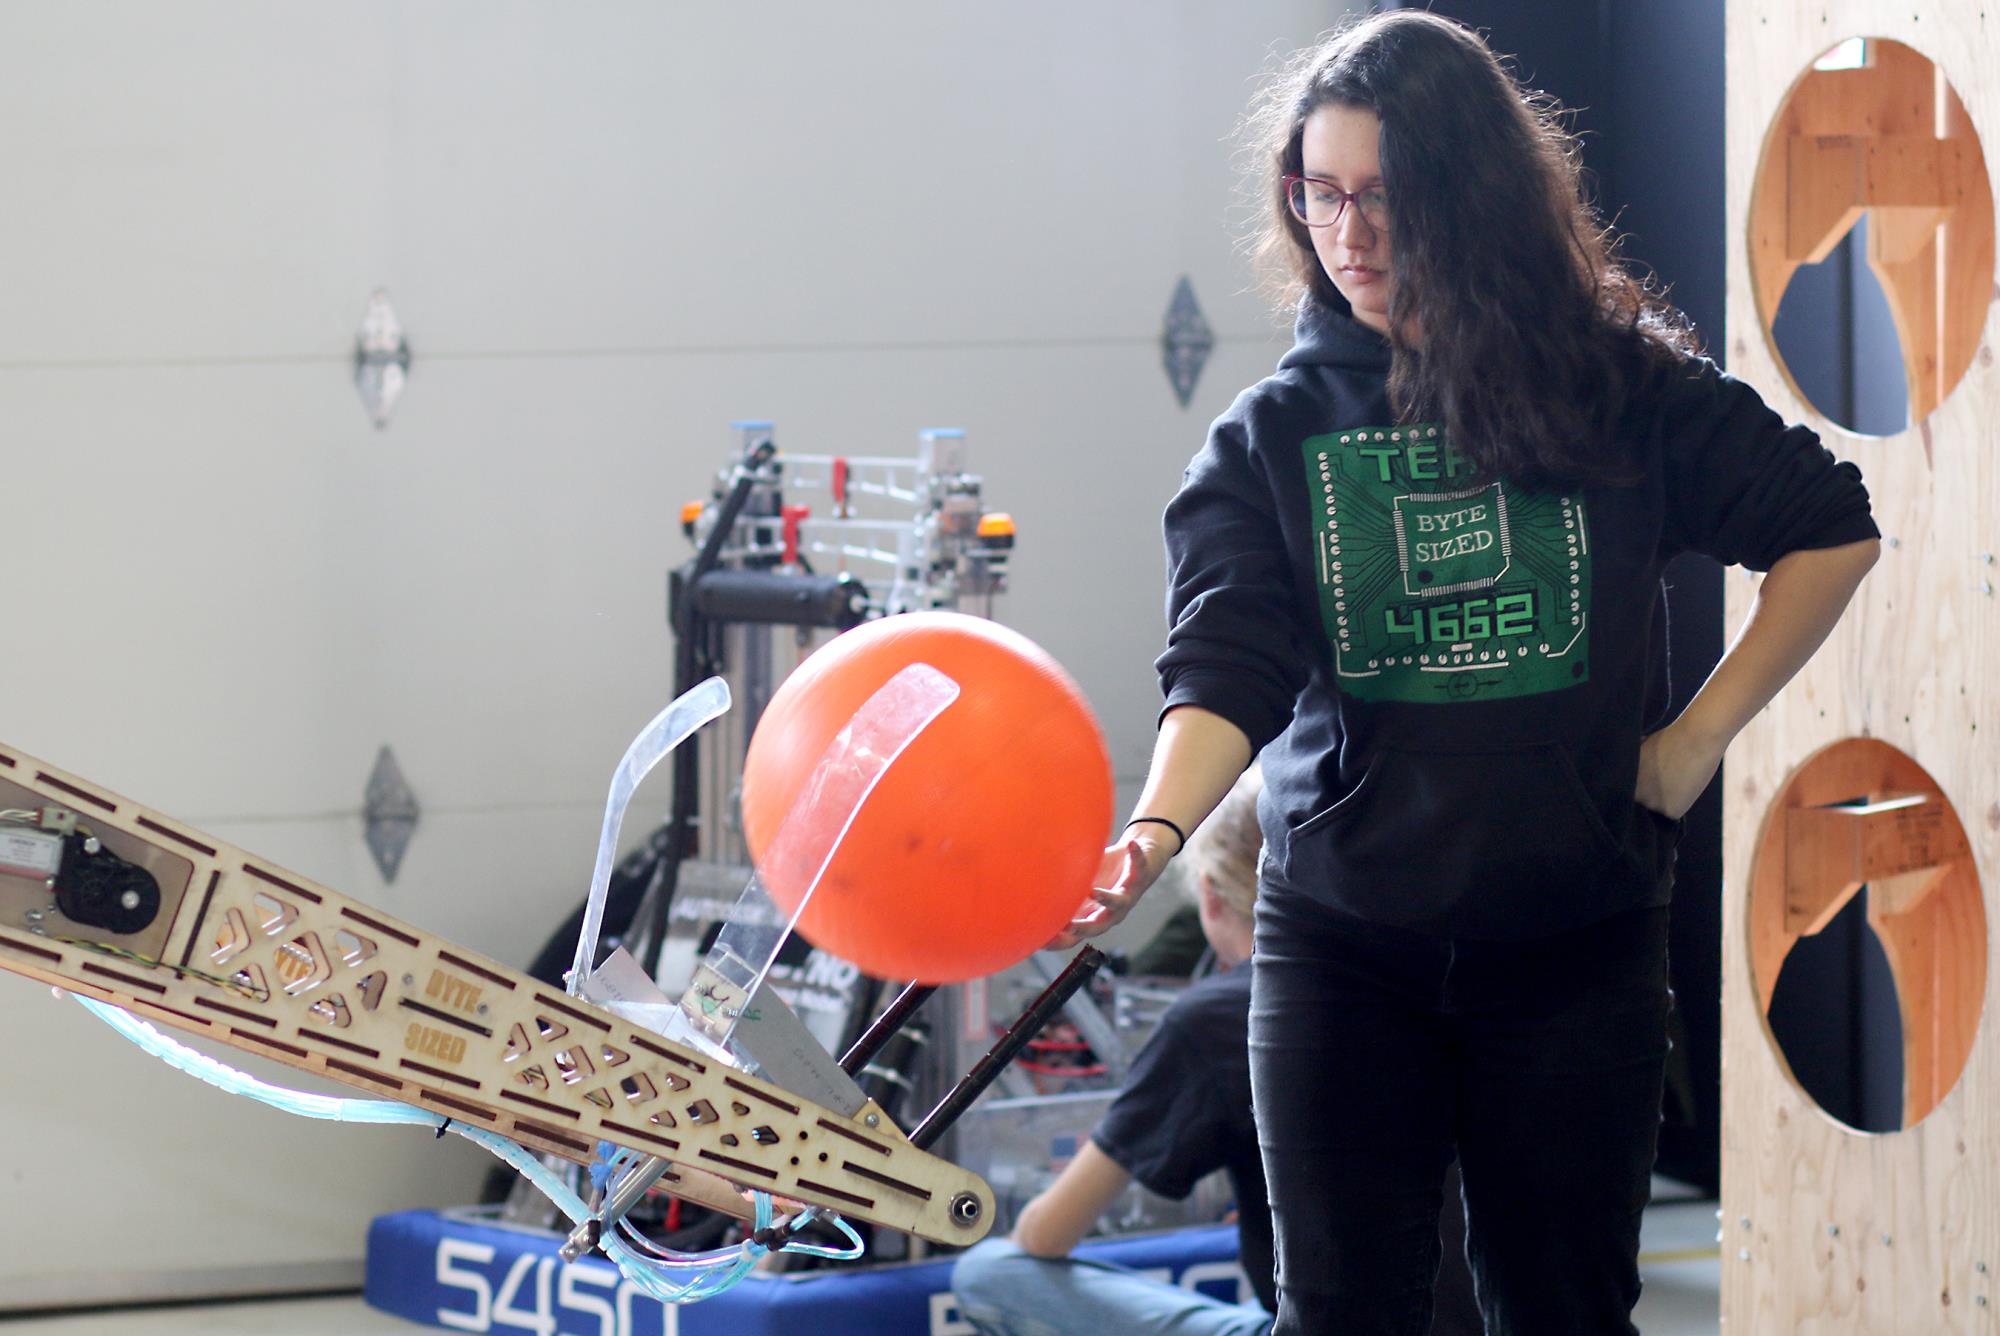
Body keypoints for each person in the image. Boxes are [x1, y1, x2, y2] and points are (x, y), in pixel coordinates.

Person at [1056, 12, 1880, 1335]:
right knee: (1342, 1315)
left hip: (1576, 947)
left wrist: (1695, 740)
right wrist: (1151, 831)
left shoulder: (1614, 389)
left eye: (1388, 198)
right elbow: (1225, 661)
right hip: (1344, 947)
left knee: (1563, 1313)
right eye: (1320, 196)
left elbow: (1829, 528)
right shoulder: (1278, 431)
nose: (1352, 237)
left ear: (1472, 194)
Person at [953, 768, 1276, 1335]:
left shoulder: (1215, 1019)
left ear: (1209, 893)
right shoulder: (1413, 976)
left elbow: (1044, 1236)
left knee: (988, 1273)